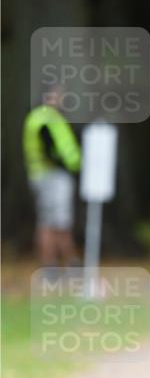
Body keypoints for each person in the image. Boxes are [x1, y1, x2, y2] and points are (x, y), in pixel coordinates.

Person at [23, 87, 81, 268]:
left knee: (52, 219)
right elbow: (50, 149)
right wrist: (64, 165)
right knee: (56, 221)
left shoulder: (40, 117)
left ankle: (56, 262)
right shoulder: (46, 118)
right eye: (58, 94)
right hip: (52, 176)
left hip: (46, 175)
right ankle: (61, 262)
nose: (61, 98)